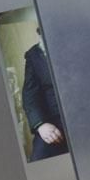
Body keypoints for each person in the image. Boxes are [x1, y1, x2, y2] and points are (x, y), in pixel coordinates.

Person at [22, 29, 68, 161]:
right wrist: (41, 125)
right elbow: (29, 96)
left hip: (85, 115)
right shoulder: (33, 55)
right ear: (40, 34)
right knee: (38, 159)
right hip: (53, 122)